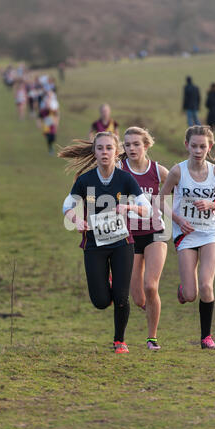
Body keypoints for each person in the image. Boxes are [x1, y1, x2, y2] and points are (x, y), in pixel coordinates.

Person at [58, 132, 152, 354]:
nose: (104, 152)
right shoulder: (85, 181)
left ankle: (119, 340)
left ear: (116, 152)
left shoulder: (126, 179)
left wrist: (128, 208)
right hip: (94, 246)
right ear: (94, 152)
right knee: (101, 301)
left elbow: (146, 209)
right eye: (100, 148)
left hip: (122, 243)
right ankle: (108, 282)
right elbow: (66, 207)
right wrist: (77, 220)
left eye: (109, 148)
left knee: (121, 297)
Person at [160, 125, 215, 350]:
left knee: (206, 285)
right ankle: (183, 290)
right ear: (187, 145)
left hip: (210, 232)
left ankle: (206, 338)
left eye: (203, 146)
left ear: (209, 147)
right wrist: (177, 219)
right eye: (194, 145)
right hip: (185, 233)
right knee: (192, 293)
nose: (198, 150)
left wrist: (213, 204)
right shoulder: (177, 171)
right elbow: (159, 199)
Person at [118, 127, 169, 351]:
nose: (131, 148)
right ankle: (152, 310)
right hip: (129, 236)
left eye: (136, 144)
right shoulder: (119, 170)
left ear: (146, 145)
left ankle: (152, 338)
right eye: (127, 145)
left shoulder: (159, 171)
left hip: (155, 233)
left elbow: (181, 190)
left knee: (151, 285)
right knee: (139, 298)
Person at [38, 90, 60, 154]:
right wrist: (39, 124)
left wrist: (56, 122)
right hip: (46, 126)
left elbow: (57, 115)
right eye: (47, 104)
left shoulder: (53, 109)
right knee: (48, 137)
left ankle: (51, 146)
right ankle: (50, 148)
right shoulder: (43, 110)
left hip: (52, 125)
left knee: (53, 138)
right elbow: (39, 116)